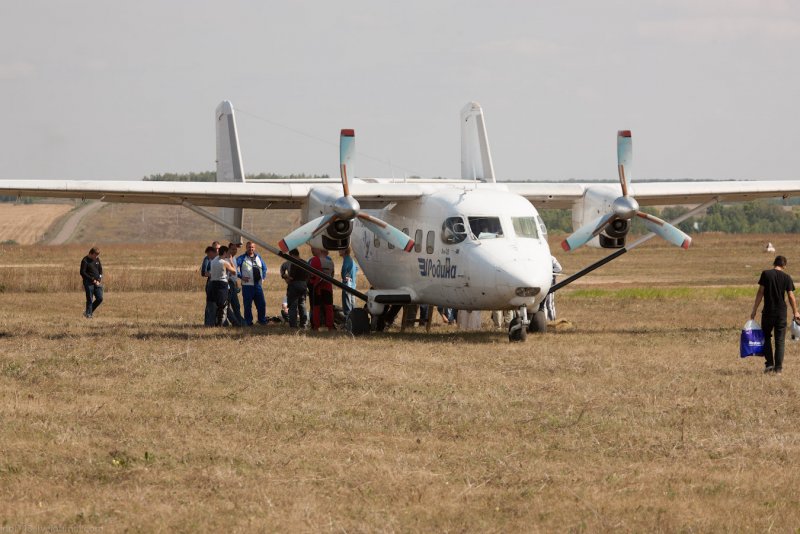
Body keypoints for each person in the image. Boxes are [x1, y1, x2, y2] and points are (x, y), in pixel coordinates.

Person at [750, 255, 800, 373]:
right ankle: (778, 369)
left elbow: (760, 293)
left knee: (766, 337)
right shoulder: (787, 277)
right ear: (784, 266)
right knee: (780, 341)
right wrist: (796, 311)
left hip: (768, 312)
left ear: (774, 263)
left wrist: (754, 310)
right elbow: (791, 296)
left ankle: (769, 365)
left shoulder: (766, 274)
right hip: (781, 313)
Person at [236, 241, 268, 326]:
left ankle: (262, 320)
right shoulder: (242, 258)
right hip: (247, 286)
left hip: (258, 285)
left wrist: (263, 277)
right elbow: (234, 267)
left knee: (261, 304)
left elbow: (264, 268)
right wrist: (240, 276)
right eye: (249, 247)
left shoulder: (259, 257)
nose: (251, 249)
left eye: (252, 247)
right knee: (247, 305)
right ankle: (248, 322)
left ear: (255, 248)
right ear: (246, 248)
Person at [209, 245, 238, 326]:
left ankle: (218, 323)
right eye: (228, 252)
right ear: (225, 252)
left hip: (213, 283)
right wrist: (231, 261)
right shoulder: (224, 263)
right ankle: (221, 324)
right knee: (223, 305)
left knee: (217, 305)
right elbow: (234, 272)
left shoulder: (214, 260)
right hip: (222, 285)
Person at [309, 248, 335, 330]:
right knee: (329, 307)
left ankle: (316, 326)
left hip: (318, 287)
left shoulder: (314, 260)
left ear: (319, 250)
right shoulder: (330, 262)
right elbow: (332, 275)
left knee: (316, 307)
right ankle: (330, 326)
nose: (312, 250)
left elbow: (311, 275)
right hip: (328, 287)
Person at [286, 249, 309, 328]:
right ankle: (304, 324)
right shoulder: (305, 263)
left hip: (295, 285)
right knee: (302, 305)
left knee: (293, 305)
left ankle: (293, 325)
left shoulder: (294, 263)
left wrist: (285, 277)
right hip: (304, 285)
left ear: (292, 255)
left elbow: (291, 278)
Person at [80, 247, 103, 318]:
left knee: (100, 298)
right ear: (91, 253)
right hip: (88, 283)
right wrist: (92, 279)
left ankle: (87, 312)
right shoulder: (85, 260)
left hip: (97, 283)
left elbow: (100, 270)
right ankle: (89, 315)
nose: (96, 257)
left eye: (97, 255)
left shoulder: (97, 259)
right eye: (95, 255)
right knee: (90, 299)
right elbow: (82, 272)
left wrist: (99, 280)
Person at [225, 241, 244, 326]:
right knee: (227, 304)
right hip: (227, 284)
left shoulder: (234, 258)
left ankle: (238, 321)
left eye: (235, 249)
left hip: (233, 284)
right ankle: (226, 322)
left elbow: (235, 273)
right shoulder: (226, 259)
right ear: (228, 249)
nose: (234, 251)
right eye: (232, 249)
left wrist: (236, 284)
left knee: (236, 305)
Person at [201, 245, 218, 326]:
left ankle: (218, 322)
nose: (208, 256)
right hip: (211, 283)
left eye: (218, 248)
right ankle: (208, 323)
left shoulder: (220, 259)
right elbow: (203, 272)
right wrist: (212, 274)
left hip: (219, 284)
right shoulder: (207, 259)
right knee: (210, 304)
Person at [339, 246, 358, 318]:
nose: (339, 251)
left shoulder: (346, 259)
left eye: (340, 249)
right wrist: (353, 276)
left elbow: (344, 270)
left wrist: (344, 277)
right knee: (352, 304)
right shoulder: (351, 259)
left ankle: (348, 321)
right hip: (353, 285)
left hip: (347, 285)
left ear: (344, 251)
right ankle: (354, 320)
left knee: (347, 306)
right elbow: (356, 268)